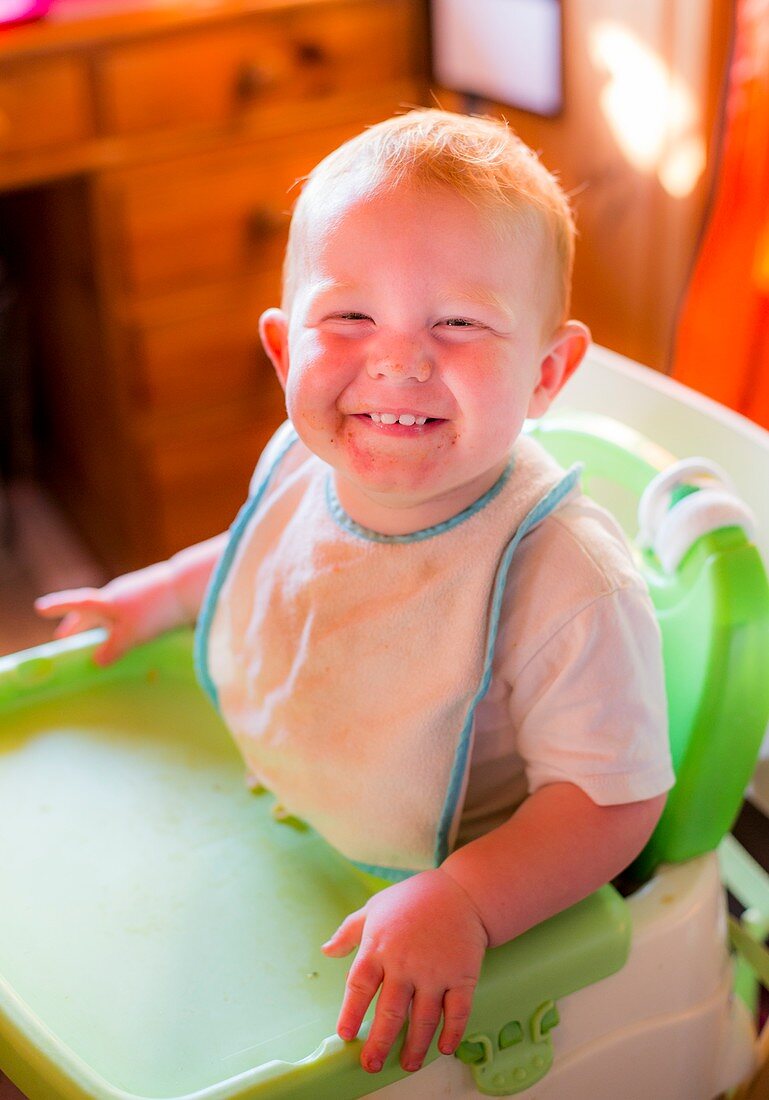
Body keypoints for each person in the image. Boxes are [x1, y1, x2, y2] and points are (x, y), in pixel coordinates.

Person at [35, 109, 674, 1078]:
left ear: (546, 371)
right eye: (350, 317)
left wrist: (466, 898)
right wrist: (162, 592)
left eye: (457, 322)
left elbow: (613, 800)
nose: (400, 358)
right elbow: (274, 553)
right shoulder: (302, 455)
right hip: (278, 818)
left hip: (436, 878)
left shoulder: (565, 577)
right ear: (285, 348)